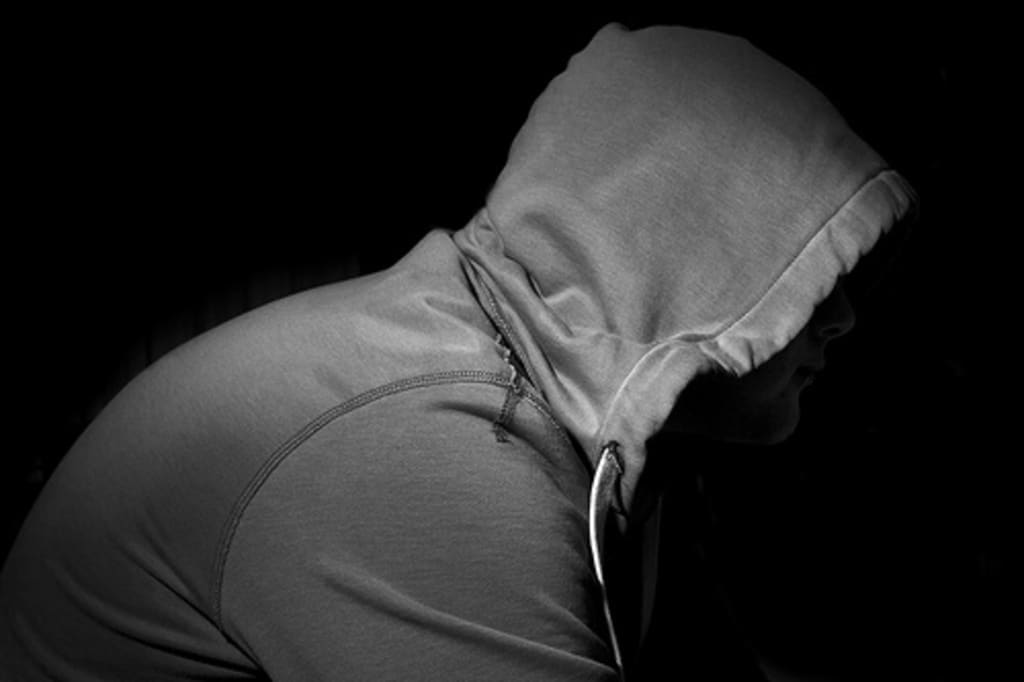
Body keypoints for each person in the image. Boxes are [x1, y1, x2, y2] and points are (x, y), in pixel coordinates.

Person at [0, 21, 917, 681]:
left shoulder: (586, 426)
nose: (843, 317)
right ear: (667, 258)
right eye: (799, 268)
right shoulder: (433, 446)